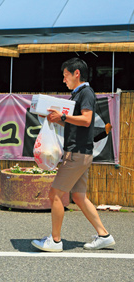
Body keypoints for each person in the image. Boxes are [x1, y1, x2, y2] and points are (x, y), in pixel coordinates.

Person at [31, 57, 115, 252]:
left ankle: (56, 241)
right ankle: (104, 235)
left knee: (55, 195)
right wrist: (56, 119)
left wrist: (62, 116)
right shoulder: (79, 94)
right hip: (80, 153)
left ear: (77, 74)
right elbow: (75, 123)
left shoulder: (85, 92)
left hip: (77, 153)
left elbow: (86, 120)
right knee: (78, 196)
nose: (63, 80)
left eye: (65, 75)